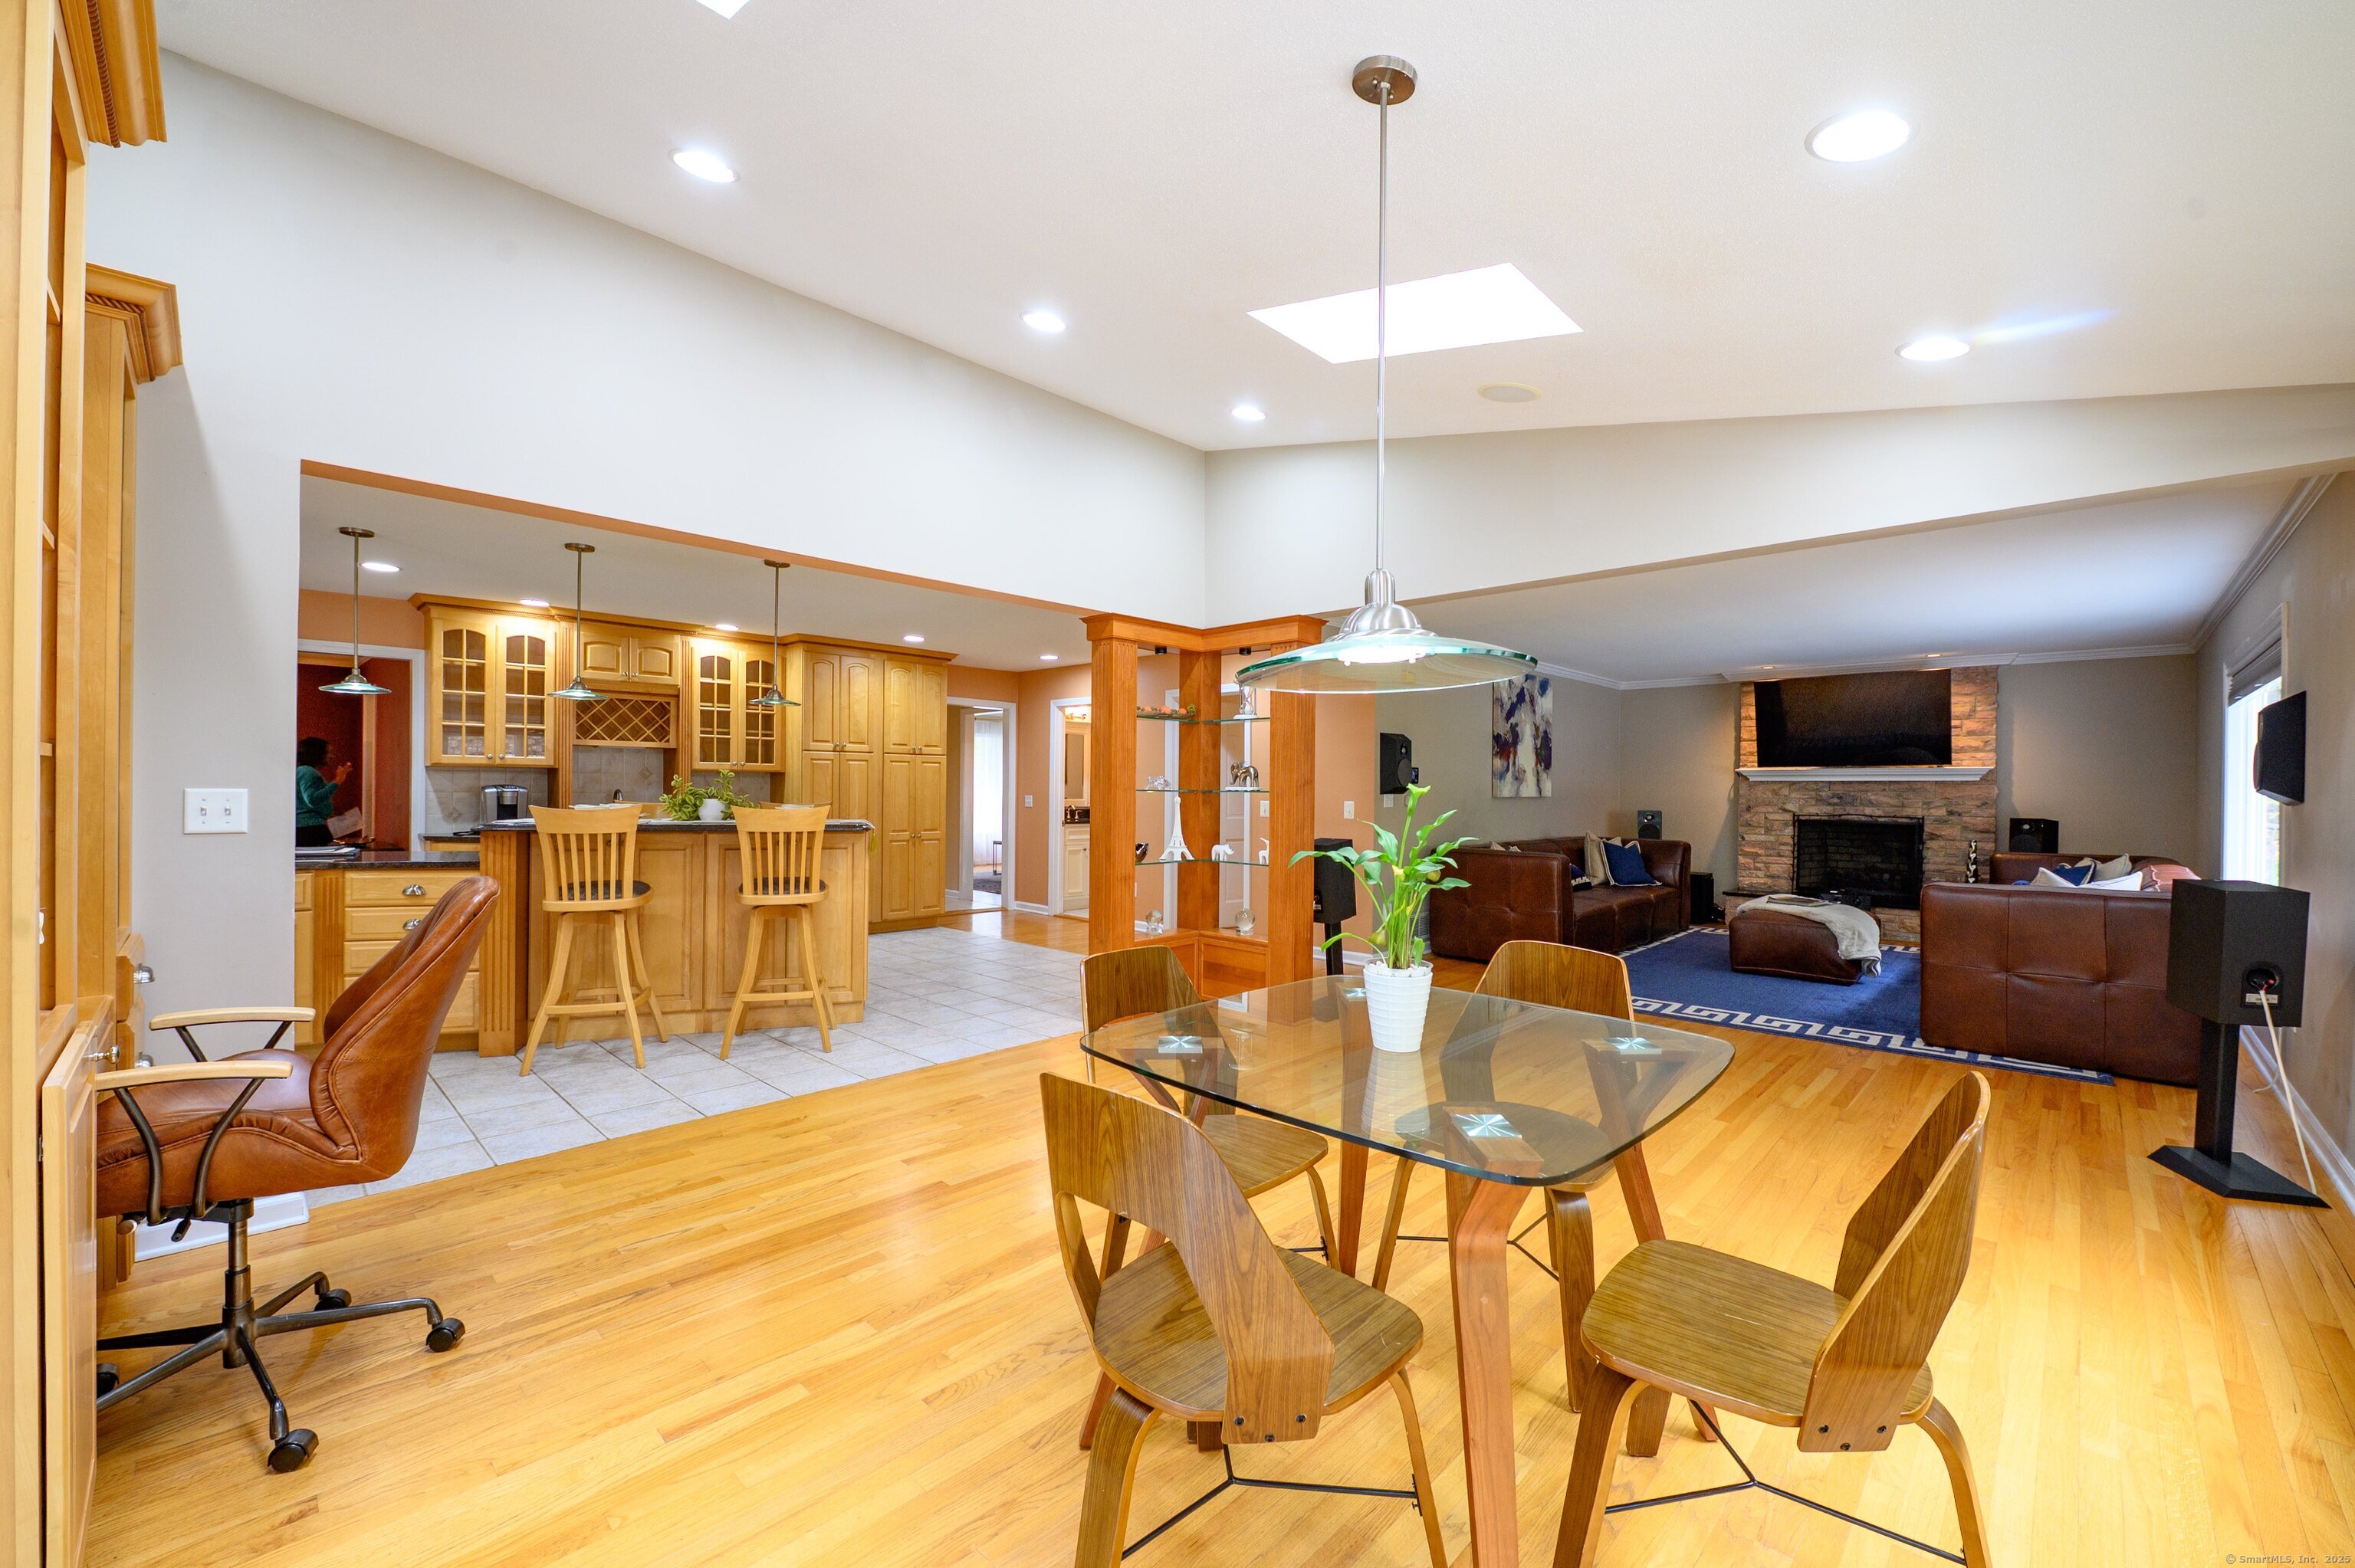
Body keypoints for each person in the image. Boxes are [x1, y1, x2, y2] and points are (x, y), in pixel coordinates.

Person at [295, 736, 351, 847]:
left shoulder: (303, 771)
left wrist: (330, 810)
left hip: (307, 828)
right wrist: (337, 781)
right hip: (310, 829)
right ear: (317, 753)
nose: (332, 756)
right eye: (329, 752)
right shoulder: (308, 772)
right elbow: (312, 800)